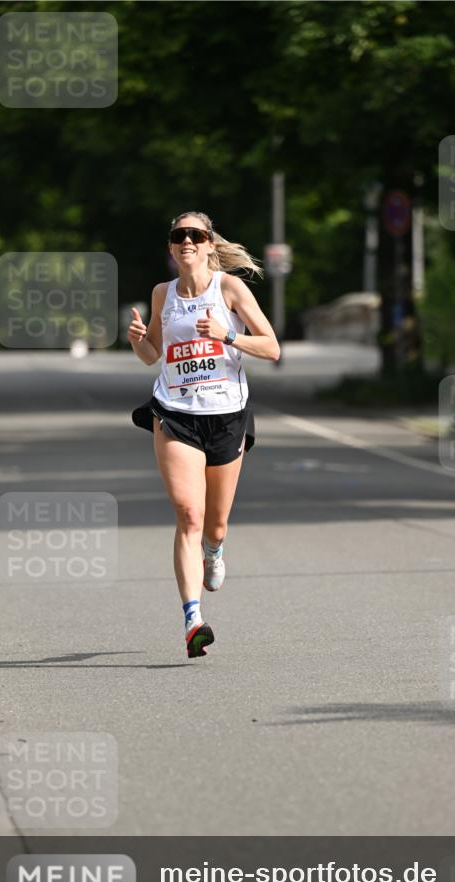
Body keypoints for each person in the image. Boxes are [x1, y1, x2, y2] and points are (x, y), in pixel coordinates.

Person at [128, 211, 280, 658]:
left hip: (227, 415)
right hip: (175, 412)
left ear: (210, 243)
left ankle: (214, 551)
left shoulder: (229, 289)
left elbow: (271, 347)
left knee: (214, 524)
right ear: (172, 247)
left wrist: (227, 336)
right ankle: (193, 618)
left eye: (196, 235)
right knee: (188, 515)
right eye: (180, 235)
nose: (187, 241)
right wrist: (139, 341)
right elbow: (152, 353)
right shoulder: (163, 294)